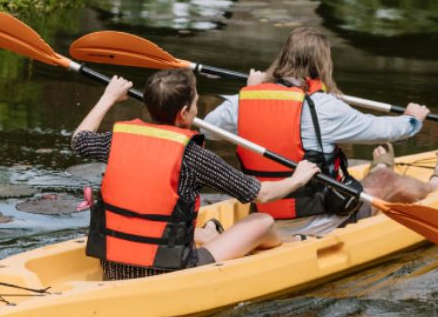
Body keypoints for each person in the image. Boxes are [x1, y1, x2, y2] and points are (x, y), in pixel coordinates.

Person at [203, 26, 438, 235]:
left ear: (282, 60)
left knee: (371, 177)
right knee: (387, 182)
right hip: (318, 219)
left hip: (264, 214)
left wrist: (249, 91)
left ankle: (380, 168)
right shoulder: (325, 107)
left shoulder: (241, 103)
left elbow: (210, 129)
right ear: (322, 66)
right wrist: (412, 119)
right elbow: (382, 129)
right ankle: (435, 186)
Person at [71, 68, 319, 280]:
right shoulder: (194, 157)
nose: (197, 109)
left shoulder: (117, 141)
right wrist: (298, 178)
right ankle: (287, 248)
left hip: (113, 266)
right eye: (197, 103)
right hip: (169, 271)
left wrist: (108, 97)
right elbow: (262, 194)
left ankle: (208, 235)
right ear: (184, 112)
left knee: (192, 226)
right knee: (262, 221)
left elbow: (79, 140)